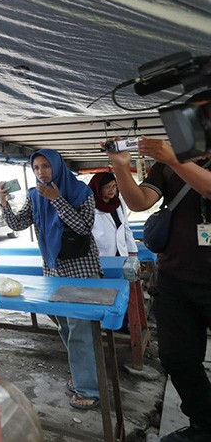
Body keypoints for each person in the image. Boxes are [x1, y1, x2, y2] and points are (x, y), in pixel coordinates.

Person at [105, 137, 211, 441]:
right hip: (175, 278)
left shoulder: (173, 160)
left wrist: (175, 159)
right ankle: (204, 424)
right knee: (177, 358)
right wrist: (122, 168)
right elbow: (140, 201)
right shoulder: (166, 164)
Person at [0, 149, 102, 410]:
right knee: (65, 327)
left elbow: (84, 227)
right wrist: (3, 203)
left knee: (80, 331)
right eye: (36, 168)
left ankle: (88, 388)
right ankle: (83, 375)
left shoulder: (81, 191)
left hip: (81, 270)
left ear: (57, 166)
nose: (41, 172)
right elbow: (19, 224)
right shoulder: (35, 195)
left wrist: (57, 200)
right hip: (53, 271)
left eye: (46, 166)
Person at [88, 172, 137, 258]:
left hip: (121, 252)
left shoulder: (119, 204)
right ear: (98, 188)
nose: (112, 190)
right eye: (108, 187)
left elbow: (125, 227)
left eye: (114, 186)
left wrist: (132, 250)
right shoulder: (89, 206)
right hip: (100, 253)